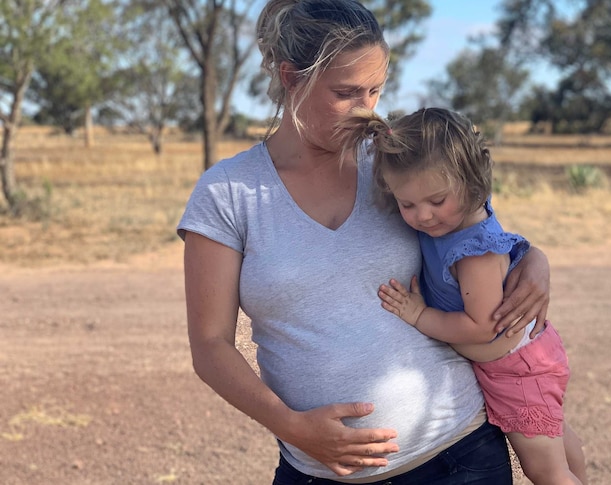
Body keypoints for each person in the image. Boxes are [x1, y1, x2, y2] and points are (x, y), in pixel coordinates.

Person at [177, 1, 554, 483]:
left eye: (375, 90)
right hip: (315, 472)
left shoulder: (398, 164)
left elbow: (480, 237)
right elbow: (210, 346)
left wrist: (535, 261)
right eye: (346, 92)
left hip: (459, 457)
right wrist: (292, 427)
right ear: (291, 77)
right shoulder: (228, 193)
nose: (366, 110)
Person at [337, 107, 588, 485]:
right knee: (554, 441)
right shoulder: (447, 225)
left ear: (471, 182)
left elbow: (482, 327)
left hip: (516, 368)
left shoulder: (474, 252)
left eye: (436, 201)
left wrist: (418, 315)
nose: (423, 216)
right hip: (517, 364)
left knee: (545, 470)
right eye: (408, 204)